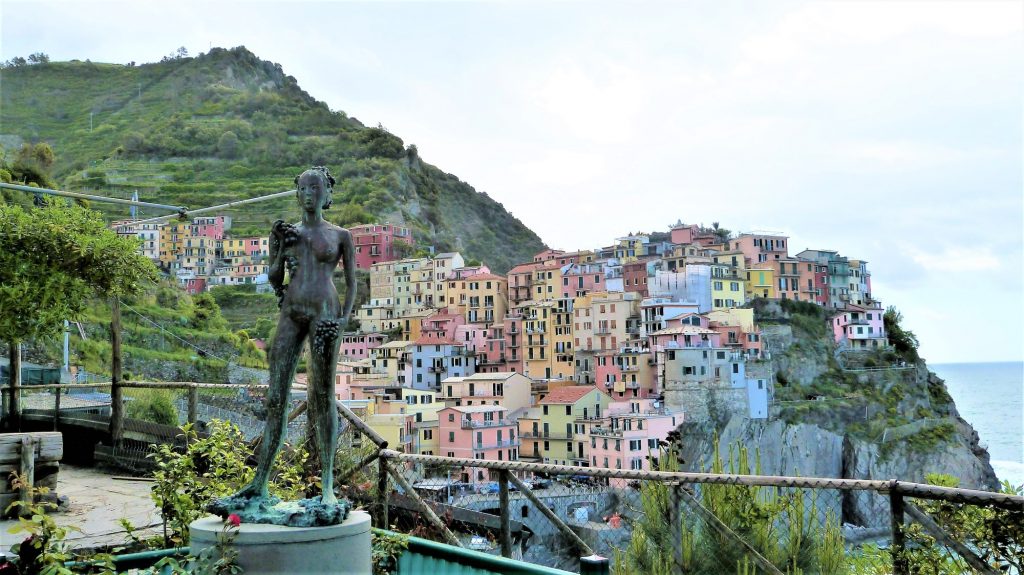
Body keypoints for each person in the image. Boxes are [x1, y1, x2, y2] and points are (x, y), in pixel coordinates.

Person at [228, 165, 355, 509]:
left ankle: (328, 487)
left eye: (316, 188)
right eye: (304, 188)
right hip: (291, 311)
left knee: (323, 398)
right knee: (276, 398)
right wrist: (276, 247)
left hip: (325, 314)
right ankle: (259, 484)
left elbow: (353, 284)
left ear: (327, 194)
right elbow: (274, 279)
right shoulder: (289, 232)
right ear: (297, 193)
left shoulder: (341, 235)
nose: (310, 194)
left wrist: (342, 321)